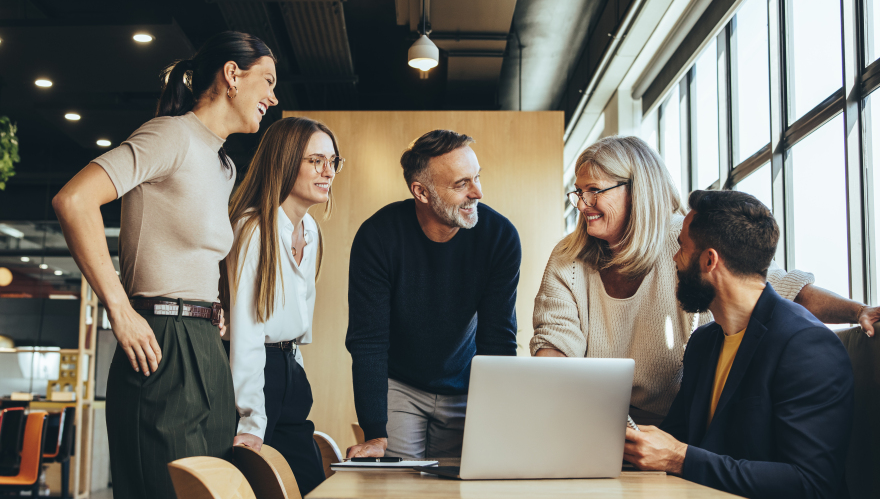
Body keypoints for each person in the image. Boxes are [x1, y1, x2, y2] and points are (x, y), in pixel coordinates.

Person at [52, 31, 278, 499]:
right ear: (232, 75)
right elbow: (74, 200)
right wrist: (120, 310)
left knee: (209, 489)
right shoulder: (170, 134)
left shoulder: (224, 166)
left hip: (204, 346)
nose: (273, 98)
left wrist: (212, 310)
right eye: (268, 81)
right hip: (159, 341)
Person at [532, 136, 876, 425]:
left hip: (682, 428)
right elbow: (555, 346)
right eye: (578, 192)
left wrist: (857, 311)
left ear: (637, 191)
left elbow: (774, 288)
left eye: (594, 191)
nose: (582, 204)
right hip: (599, 420)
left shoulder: (684, 240)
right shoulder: (569, 258)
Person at [623, 190, 854, 499]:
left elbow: (810, 483)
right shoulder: (704, 343)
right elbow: (674, 439)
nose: (674, 259)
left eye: (681, 247)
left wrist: (680, 457)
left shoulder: (808, 347)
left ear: (709, 260)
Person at [345, 130, 521, 459]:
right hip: (400, 385)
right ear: (422, 192)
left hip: (468, 384)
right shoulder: (378, 237)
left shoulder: (500, 237)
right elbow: (368, 340)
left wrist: (499, 420)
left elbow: (498, 336)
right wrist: (375, 431)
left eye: (477, 178)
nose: (478, 192)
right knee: (400, 486)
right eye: (461, 184)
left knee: (458, 486)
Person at [223, 117, 343, 497]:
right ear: (286, 161)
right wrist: (251, 421)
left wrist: (297, 374)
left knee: (309, 485)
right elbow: (246, 332)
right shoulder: (252, 228)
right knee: (254, 488)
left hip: (290, 370)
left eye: (333, 161)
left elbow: (299, 321)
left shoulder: (310, 230)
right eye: (316, 161)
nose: (328, 172)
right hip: (256, 375)